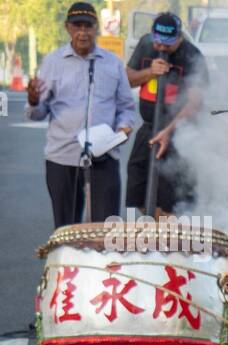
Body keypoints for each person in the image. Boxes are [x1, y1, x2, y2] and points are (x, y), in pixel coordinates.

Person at [26, 2, 136, 229]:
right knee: (66, 230)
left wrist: (123, 127)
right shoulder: (53, 62)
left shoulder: (112, 64)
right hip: (62, 157)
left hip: (104, 156)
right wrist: (34, 100)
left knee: (106, 231)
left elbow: (126, 106)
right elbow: (37, 114)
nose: (82, 33)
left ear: (96, 28)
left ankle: (102, 265)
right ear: (68, 28)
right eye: (77, 26)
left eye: (88, 26)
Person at [125, 12, 210, 215]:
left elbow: (195, 103)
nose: (162, 48)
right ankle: (153, 224)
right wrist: (149, 72)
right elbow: (127, 78)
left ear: (179, 37)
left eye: (168, 44)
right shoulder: (145, 44)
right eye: (158, 43)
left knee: (172, 195)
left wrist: (169, 130)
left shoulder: (192, 55)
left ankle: (169, 234)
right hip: (148, 128)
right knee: (138, 183)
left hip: (179, 132)